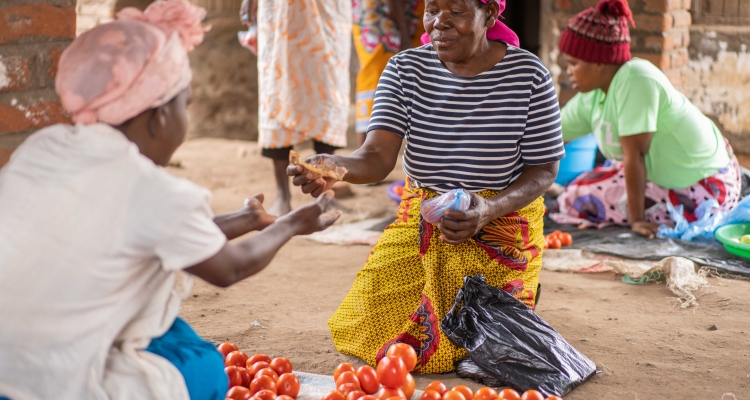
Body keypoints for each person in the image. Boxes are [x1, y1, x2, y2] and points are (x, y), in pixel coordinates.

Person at [0, 1, 339, 399]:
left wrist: (245, 218)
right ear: (159, 116)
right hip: (48, 384)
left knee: (169, 329)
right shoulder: (150, 187)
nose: (186, 118)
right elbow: (229, 268)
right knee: (207, 367)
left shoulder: (44, 148)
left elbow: (155, 232)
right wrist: (293, 223)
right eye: (186, 104)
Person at [288, 0, 564, 373]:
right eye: (432, 9)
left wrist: (487, 210)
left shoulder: (528, 75)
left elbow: (544, 170)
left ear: (491, 16)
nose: (440, 24)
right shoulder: (405, 69)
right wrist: (337, 167)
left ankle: (519, 292)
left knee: (476, 343)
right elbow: (376, 156)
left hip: (501, 224)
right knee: (367, 327)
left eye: (457, 12)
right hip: (425, 222)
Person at [550, 0, 741, 238]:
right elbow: (551, 135)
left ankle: (645, 213)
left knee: (580, 201)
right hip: (660, 177)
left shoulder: (636, 78)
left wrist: (636, 220)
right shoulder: (594, 95)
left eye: (573, 63)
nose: (568, 71)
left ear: (599, 62)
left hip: (706, 187)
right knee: (575, 192)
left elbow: (635, 156)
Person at [240, 0, 351, 216]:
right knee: (278, 85)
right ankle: (282, 193)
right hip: (282, 7)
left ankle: (325, 192)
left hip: (328, 8)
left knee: (328, 86)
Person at [353, 0, 424, 146]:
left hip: (405, 13)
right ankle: (366, 153)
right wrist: (404, 36)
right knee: (378, 74)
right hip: (386, 14)